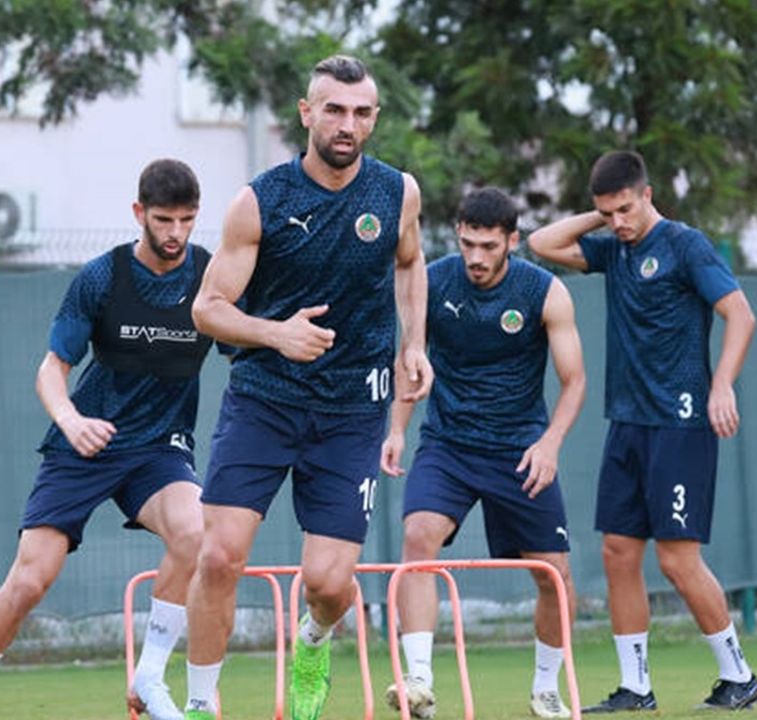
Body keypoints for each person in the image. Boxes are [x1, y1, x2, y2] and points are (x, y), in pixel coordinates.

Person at [184, 55, 432, 720]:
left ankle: (314, 643)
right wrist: (277, 333)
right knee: (219, 555)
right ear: (306, 113)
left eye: (360, 113)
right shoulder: (260, 201)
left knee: (327, 583)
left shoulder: (397, 193)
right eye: (334, 110)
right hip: (265, 398)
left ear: (374, 118)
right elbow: (208, 309)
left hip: (354, 409)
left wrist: (415, 343)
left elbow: (410, 264)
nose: (346, 124)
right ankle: (201, 704)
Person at [0, 159, 211, 720]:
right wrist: (70, 421)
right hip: (85, 445)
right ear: (139, 213)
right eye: (163, 219)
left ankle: (152, 677)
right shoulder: (102, 277)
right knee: (30, 580)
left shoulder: (211, 276)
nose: (175, 233)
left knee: (196, 533)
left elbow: (245, 339)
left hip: (160, 448)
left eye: (186, 220)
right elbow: (51, 368)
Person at [529, 150, 757, 712]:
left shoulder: (685, 245)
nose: (619, 222)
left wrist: (722, 384)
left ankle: (740, 677)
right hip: (627, 423)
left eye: (626, 209)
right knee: (617, 552)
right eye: (608, 212)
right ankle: (636, 686)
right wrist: (598, 217)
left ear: (649, 194)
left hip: (680, 422)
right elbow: (541, 244)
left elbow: (741, 314)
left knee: (678, 559)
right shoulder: (614, 248)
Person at [380, 187, 586, 719]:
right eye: (467, 243)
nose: (475, 256)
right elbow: (412, 357)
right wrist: (398, 430)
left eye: (488, 246)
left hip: (520, 449)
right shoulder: (436, 279)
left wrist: (550, 444)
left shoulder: (545, 293)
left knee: (554, 577)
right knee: (418, 537)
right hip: (448, 445)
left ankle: (545, 688)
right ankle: (419, 683)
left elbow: (575, 381)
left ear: (512, 241)